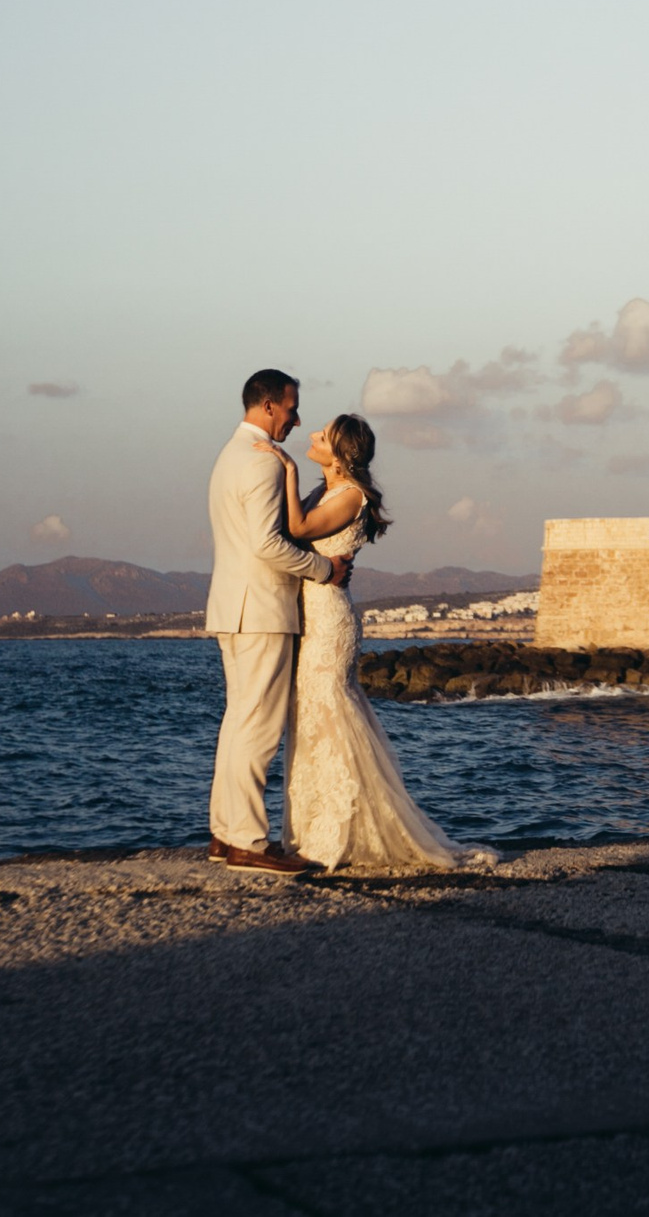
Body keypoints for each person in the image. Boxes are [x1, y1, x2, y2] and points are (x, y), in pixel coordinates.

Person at [261, 412, 497, 871]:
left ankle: (341, 832)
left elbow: (299, 529)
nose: (311, 435)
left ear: (340, 453)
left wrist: (286, 470)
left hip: (330, 620)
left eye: (322, 435)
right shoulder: (329, 489)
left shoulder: (350, 496)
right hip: (315, 614)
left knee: (330, 714)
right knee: (313, 717)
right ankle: (317, 827)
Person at [203, 368, 352, 876]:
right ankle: (247, 840)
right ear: (268, 406)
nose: (296, 416)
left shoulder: (229, 456)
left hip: (232, 606)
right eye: (291, 407)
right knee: (259, 728)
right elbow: (269, 545)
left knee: (237, 722)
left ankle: (224, 834)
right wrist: (324, 570)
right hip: (261, 609)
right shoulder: (263, 463)